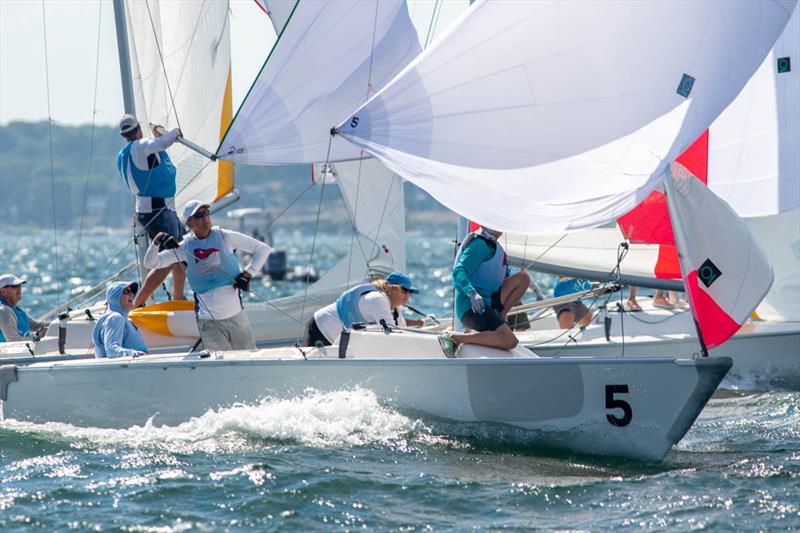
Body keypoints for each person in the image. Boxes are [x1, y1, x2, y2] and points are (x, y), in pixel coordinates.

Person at [143, 200, 272, 351]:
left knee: (250, 358)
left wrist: (248, 274)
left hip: (236, 316)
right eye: (198, 215)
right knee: (220, 368)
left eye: (206, 213)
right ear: (189, 223)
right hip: (208, 322)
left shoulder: (225, 236)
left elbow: (263, 249)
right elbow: (150, 263)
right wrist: (156, 241)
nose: (204, 218)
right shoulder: (184, 247)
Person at [116, 114, 186, 307]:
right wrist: (174, 132)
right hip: (159, 210)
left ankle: (179, 298)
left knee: (183, 250)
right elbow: (161, 144)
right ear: (138, 128)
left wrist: (156, 138)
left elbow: (148, 156)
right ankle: (139, 302)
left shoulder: (126, 154)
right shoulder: (141, 146)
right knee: (171, 257)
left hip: (157, 209)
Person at [442, 226, 530, 355]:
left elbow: (503, 277)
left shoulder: (495, 247)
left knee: (523, 279)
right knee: (510, 341)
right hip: (472, 307)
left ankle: (500, 316)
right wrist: (472, 293)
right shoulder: (479, 244)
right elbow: (458, 272)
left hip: (489, 302)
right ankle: (455, 338)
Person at [305, 272, 423, 347]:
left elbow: (403, 331)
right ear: (391, 288)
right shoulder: (378, 299)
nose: (408, 294)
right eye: (405, 290)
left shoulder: (395, 310)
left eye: (411, 292)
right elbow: (393, 334)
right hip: (322, 328)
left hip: (336, 338)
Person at [92, 281, 149, 358]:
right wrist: (132, 353)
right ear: (115, 296)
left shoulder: (125, 319)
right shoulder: (115, 318)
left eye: (132, 292)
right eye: (126, 291)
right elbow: (111, 350)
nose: (131, 294)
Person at [0, 274, 48, 343]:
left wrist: (55, 324)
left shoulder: (16, 307)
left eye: (20, 285)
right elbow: (14, 341)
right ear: (3, 291)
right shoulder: (3, 311)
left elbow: (35, 325)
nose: (19, 288)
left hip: (22, 351)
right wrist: (37, 336)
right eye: (15, 286)